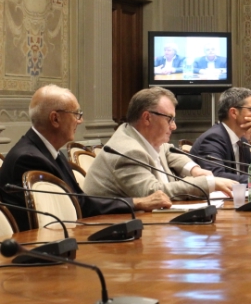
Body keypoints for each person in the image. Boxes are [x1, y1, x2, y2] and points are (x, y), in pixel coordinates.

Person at [0, 85, 170, 231]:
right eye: (76, 114)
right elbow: (79, 205)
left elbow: (80, 200)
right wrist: (137, 202)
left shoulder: (48, 151)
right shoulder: (28, 159)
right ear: (55, 118)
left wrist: (136, 203)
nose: (80, 120)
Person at [84, 87, 237, 200]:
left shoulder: (144, 138)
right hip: (114, 228)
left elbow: (169, 151)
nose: (174, 126)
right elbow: (153, 193)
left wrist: (194, 169)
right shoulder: (127, 152)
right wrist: (207, 183)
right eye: (169, 119)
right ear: (147, 118)